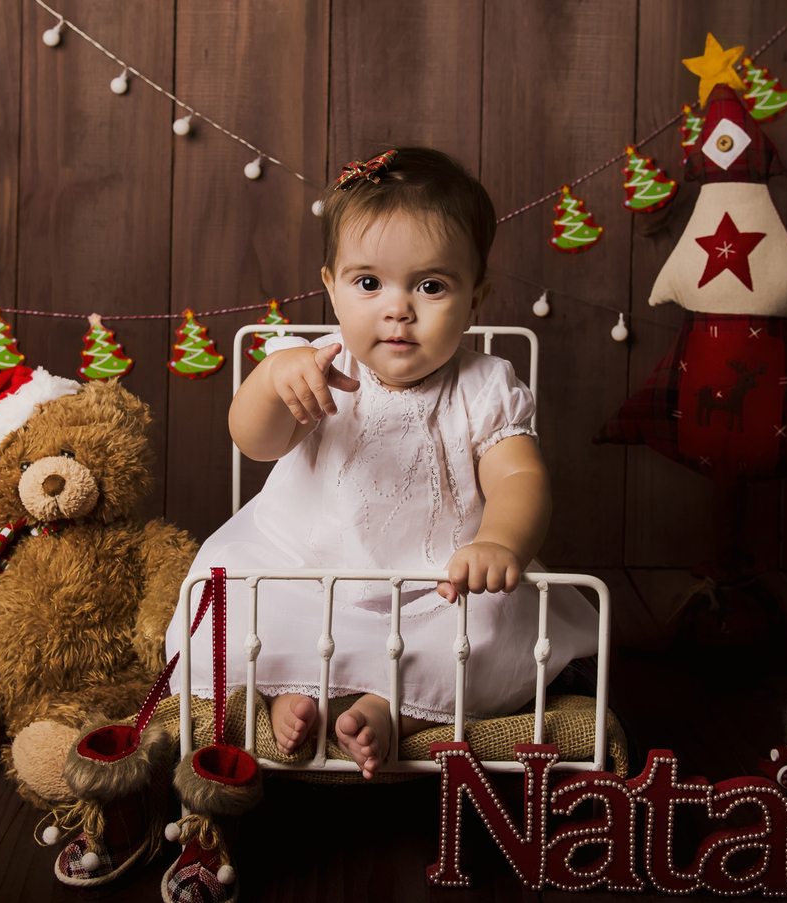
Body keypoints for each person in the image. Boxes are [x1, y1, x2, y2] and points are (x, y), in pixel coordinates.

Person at [165, 147, 599, 778]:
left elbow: (519, 476)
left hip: (438, 585)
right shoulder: (317, 366)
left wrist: (500, 542)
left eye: (431, 286)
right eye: (369, 283)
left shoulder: (484, 385)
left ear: (476, 297)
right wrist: (272, 380)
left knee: (497, 628)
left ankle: (392, 712)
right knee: (230, 601)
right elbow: (254, 442)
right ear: (331, 287)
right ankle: (291, 693)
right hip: (302, 571)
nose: (398, 309)